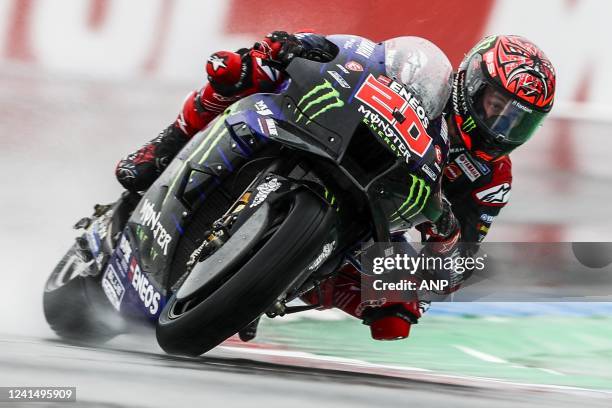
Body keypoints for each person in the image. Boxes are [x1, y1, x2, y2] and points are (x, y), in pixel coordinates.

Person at [114, 32, 556, 341]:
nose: (502, 127)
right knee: (240, 70)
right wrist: (303, 46)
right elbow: (360, 56)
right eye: (497, 107)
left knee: (396, 316)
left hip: (378, 218)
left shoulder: (492, 178)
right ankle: (164, 145)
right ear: (472, 83)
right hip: (330, 138)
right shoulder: (429, 77)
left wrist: (439, 255)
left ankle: (269, 285)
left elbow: (459, 264)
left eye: (520, 121)